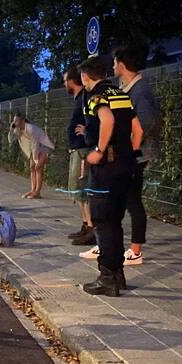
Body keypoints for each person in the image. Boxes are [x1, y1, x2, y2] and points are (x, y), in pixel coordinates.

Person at [77, 55, 143, 296]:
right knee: (115, 220)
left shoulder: (96, 98)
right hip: (126, 166)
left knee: (102, 221)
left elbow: (107, 119)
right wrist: (131, 151)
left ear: (85, 77)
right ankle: (118, 275)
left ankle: (107, 277)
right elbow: (138, 129)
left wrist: (99, 151)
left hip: (106, 168)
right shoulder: (122, 95)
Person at [114, 47, 160, 266]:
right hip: (131, 154)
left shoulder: (139, 90)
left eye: (115, 64)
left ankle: (135, 250)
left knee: (132, 201)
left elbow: (146, 122)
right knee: (122, 199)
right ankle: (114, 243)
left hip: (136, 156)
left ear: (122, 65)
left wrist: (131, 147)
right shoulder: (128, 88)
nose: (113, 68)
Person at [64, 68, 95, 245]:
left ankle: (91, 228)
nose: (64, 84)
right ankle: (86, 224)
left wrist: (87, 131)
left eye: (65, 81)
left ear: (72, 81)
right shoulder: (79, 99)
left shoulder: (85, 97)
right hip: (77, 149)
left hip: (83, 149)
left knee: (82, 188)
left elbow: (94, 118)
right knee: (77, 189)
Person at [9, 113, 54, 199]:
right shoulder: (17, 130)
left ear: (22, 120)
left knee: (38, 168)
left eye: (16, 120)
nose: (14, 122)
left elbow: (35, 145)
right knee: (32, 168)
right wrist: (11, 129)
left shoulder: (30, 128)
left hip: (44, 146)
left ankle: (37, 192)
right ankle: (33, 190)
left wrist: (36, 159)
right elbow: (11, 140)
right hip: (36, 149)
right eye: (13, 120)